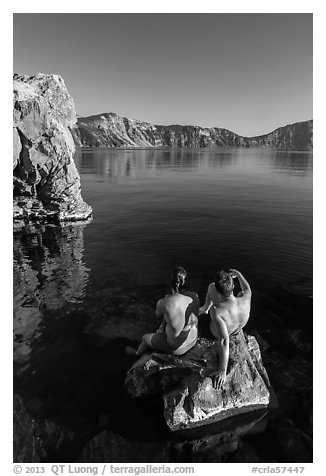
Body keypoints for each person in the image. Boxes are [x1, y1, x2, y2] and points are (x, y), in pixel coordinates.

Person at [127, 266, 199, 357]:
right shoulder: (195, 296)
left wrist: (167, 299)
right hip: (193, 340)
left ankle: (137, 354)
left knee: (145, 338)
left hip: (178, 349)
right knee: (171, 317)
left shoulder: (165, 302)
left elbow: (158, 314)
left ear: (170, 283)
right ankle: (161, 332)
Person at [199, 268, 252, 390]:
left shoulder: (217, 311)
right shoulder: (246, 296)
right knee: (218, 289)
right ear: (233, 286)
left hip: (222, 330)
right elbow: (246, 287)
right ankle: (206, 307)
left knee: (211, 289)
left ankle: (205, 307)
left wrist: (222, 370)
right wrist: (239, 274)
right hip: (238, 327)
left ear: (219, 292)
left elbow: (223, 340)